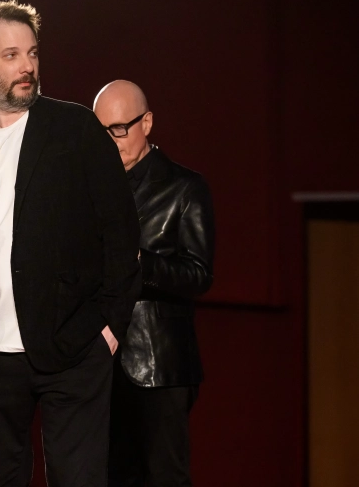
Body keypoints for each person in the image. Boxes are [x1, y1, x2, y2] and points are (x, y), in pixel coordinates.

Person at [0, 0, 142, 487]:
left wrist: (110, 326)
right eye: (11, 55)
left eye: (33, 53)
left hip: (74, 346)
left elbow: (123, 233)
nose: (27, 66)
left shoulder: (76, 128)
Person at [93, 80, 215, 487]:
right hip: (98, 360)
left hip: (160, 364)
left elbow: (198, 275)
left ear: (146, 123)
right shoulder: (90, 186)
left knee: (164, 477)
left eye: (118, 129)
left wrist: (140, 263)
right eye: (101, 131)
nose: (110, 141)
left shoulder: (185, 187)